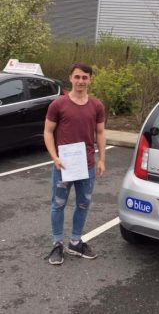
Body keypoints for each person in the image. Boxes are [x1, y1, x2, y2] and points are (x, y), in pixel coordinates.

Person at [44, 63, 106, 265]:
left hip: (86, 165)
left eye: (85, 77)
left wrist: (102, 159)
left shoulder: (96, 105)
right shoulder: (58, 105)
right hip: (64, 165)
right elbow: (48, 132)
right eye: (77, 77)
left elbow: (100, 133)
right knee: (58, 204)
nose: (81, 81)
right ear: (70, 78)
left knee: (83, 203)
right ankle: (57, 244)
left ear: (90, 80)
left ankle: (75, 241)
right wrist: (55, 157)